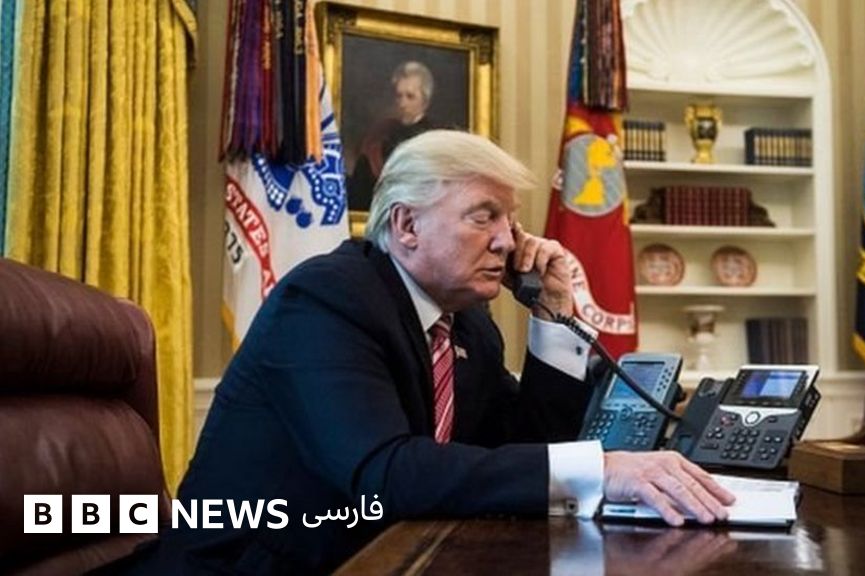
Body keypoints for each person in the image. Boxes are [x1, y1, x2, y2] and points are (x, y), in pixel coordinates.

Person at [118, 131, 733, 575]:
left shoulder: (469, 326)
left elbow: (521, 449)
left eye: (510, 221)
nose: (509, 241)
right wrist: (603, 469)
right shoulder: (326, 299)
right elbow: (386, 475)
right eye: (484, 217)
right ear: (407, 226)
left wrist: (552, 323)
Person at [348, 61, 437, 210]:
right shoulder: (382, 132)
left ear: (425, 101)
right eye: (399, 96)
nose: (402, 103)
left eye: (410, 96)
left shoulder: (434, 137)